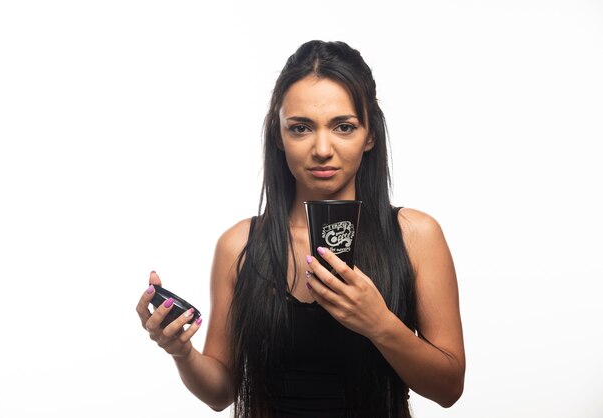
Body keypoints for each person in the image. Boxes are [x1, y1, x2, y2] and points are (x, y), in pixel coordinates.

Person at [136, 40, 465, 417]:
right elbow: (220, 393)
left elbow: (449, 388)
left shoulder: (415, 235)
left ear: (370, 135)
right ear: (279, 135)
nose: (322, 148)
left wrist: (380, 324)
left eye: (343, 126)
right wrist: (182, 353)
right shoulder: (240, 245)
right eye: (301, 128)